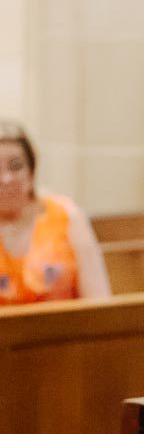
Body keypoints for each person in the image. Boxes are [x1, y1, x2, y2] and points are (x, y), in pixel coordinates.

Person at [0, 122, 111, 304]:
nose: (6, 179)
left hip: (66, 329)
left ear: (31, 172)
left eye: (16, 166)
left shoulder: (67, 215)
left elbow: (99, 300)